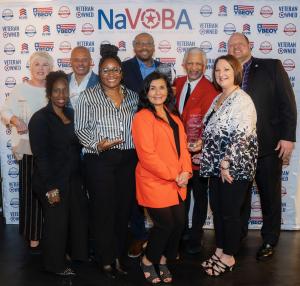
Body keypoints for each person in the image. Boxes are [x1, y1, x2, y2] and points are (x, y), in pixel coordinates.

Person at [228, 33, 297, 260]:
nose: (236, 48)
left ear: (250, 46)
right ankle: (237, 237)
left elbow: (288, 103)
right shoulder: (226, 73)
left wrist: (288, 137)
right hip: (238, 148)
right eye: (232, 45)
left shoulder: (271, 66)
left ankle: (269, 239)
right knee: (239, 197)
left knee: (270, 195)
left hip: (268, 145)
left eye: (240, 44)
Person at [74, 44, 138, 279]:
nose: (111, 74)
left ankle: (120, 256)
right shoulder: (88, 96)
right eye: (106, 71)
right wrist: (97, 144)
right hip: (100, 159)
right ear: (98, 73)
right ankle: (105, 259)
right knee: (103, 211)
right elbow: (80, 129)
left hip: (129, 159)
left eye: (115, 70)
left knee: (123, 211)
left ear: (122, 73)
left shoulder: (132, 96)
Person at [199, 55, 258, 276]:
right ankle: (220, 250)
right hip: (216, 168)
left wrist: (226, 162)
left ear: (236, 72)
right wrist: (201, 146)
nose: (221, 74)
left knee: (230, 213)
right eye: (217, 70)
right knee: (219, 211)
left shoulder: (242, 99)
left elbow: (243, 136)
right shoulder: (219, 98)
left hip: (234, 167)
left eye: (226, 69)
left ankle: (230, 256)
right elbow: (214, 130)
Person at [132, 72, 192, 284]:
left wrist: (186, 172)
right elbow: (147, 156)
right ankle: (148, 261)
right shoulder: (142, 118)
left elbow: (183, 149)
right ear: (146, 93)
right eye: (152, 88)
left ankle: (164, 259)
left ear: (168, 92)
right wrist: (174, 175)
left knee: (179, 223)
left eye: (162, 88)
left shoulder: (174, 116)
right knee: (165, 224)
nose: (157, 92)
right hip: (154, 181)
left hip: (177, 181)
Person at [28, 71, 88, 276]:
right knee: (57, 222)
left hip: (72, 177)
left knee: (77, 217)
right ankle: (55, 264)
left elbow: (79, 143)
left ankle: (75, 254)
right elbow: (41, 156)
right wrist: (51, 187)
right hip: (50, 180)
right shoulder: (40, 119)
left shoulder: (71, 114)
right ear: (49, 93)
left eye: (64, 90)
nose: (61, 94)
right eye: (56, 90)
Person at [0, 51, 53, 252]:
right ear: (30, 67)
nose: (41, 68)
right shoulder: (20, 88)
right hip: (27, 147)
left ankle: (53, 234)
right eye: (37, 64)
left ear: (51, 68)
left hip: (52, 150)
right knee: (30, 192)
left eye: (45, 65)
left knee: (52, 193)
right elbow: (5, 110)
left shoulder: (53, 89)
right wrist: (15, 120)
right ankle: (33, 236)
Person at [174, 47, 218, 254]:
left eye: (198, 64)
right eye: (190, 63)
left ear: (204, 66)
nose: (193, 67)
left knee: (200, 197)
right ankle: (181, 230)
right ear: (184, 64)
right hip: (178, 153)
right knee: (181, 193)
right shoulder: (177, 83)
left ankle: (196, 236)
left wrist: (202, 143)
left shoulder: (211, 90)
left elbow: (212, 123)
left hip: (199, 153)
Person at [122, 32, 161, 258]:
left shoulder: (164, 69)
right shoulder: (123, 68)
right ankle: (139, 235)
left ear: (154, 46)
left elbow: (170, 99)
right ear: (134, 46)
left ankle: (160, 235)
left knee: (159, 188)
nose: (144, 46)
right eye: (139, 43)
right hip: (132, 137)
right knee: (135, 189)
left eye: (148, 43)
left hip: (159, 138)